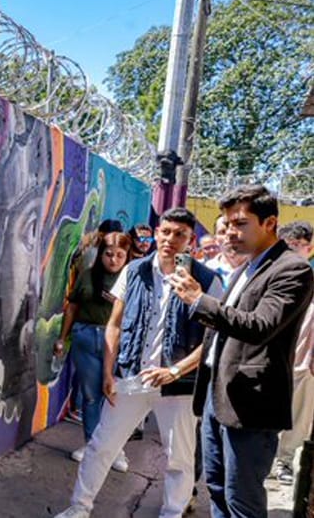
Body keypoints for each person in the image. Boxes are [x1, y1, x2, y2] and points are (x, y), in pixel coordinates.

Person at [55, 208, 223, 518]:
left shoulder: (207, 280)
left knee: (179, 458)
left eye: (180, 235)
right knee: (101, 445)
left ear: (191, 240)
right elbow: (115, 323)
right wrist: (108, 371)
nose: (171, 239)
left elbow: (213, 339)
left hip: (177, 386)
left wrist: (174, 370)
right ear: (157, 233)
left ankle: (172, 513)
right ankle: (79, 508)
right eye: (166, 232)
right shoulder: (134, 271)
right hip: (131, 377)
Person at [171, 185, 314, 518]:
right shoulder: (246, 268)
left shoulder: (293, 269)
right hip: (218, 395)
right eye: (227, 224)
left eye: (240, 223)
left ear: (269, 223)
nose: (230, 232)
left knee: (242, 501)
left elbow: (260, 326)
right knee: (218, 490)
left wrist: (199, 300)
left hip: (250, 404)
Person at [54, 232, 132, 468]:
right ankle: (91, 445)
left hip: (118, 341)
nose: (113, 260)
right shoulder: (88, 276)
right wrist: (62, 337)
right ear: (101, 254)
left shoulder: (132, 279)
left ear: (127, 256)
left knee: (115, 396)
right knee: (90, 396)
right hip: (86, 336)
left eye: (120, 255)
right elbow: (72, 307)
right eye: (109, 254)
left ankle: (115, 449)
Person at [271, 221, 314, 484]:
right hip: (270, 357)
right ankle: (265, 458)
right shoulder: (271, 275)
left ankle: (284, 460)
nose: (297, 249)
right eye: (292, 244)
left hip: (302, 360)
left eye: (302, 245)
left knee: (299, 414)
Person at [206, 215, 248, 289]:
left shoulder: (257, 268)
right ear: (215, 239)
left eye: (235, 230)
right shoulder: (206, 269)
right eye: (223, 232)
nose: (229, 235)